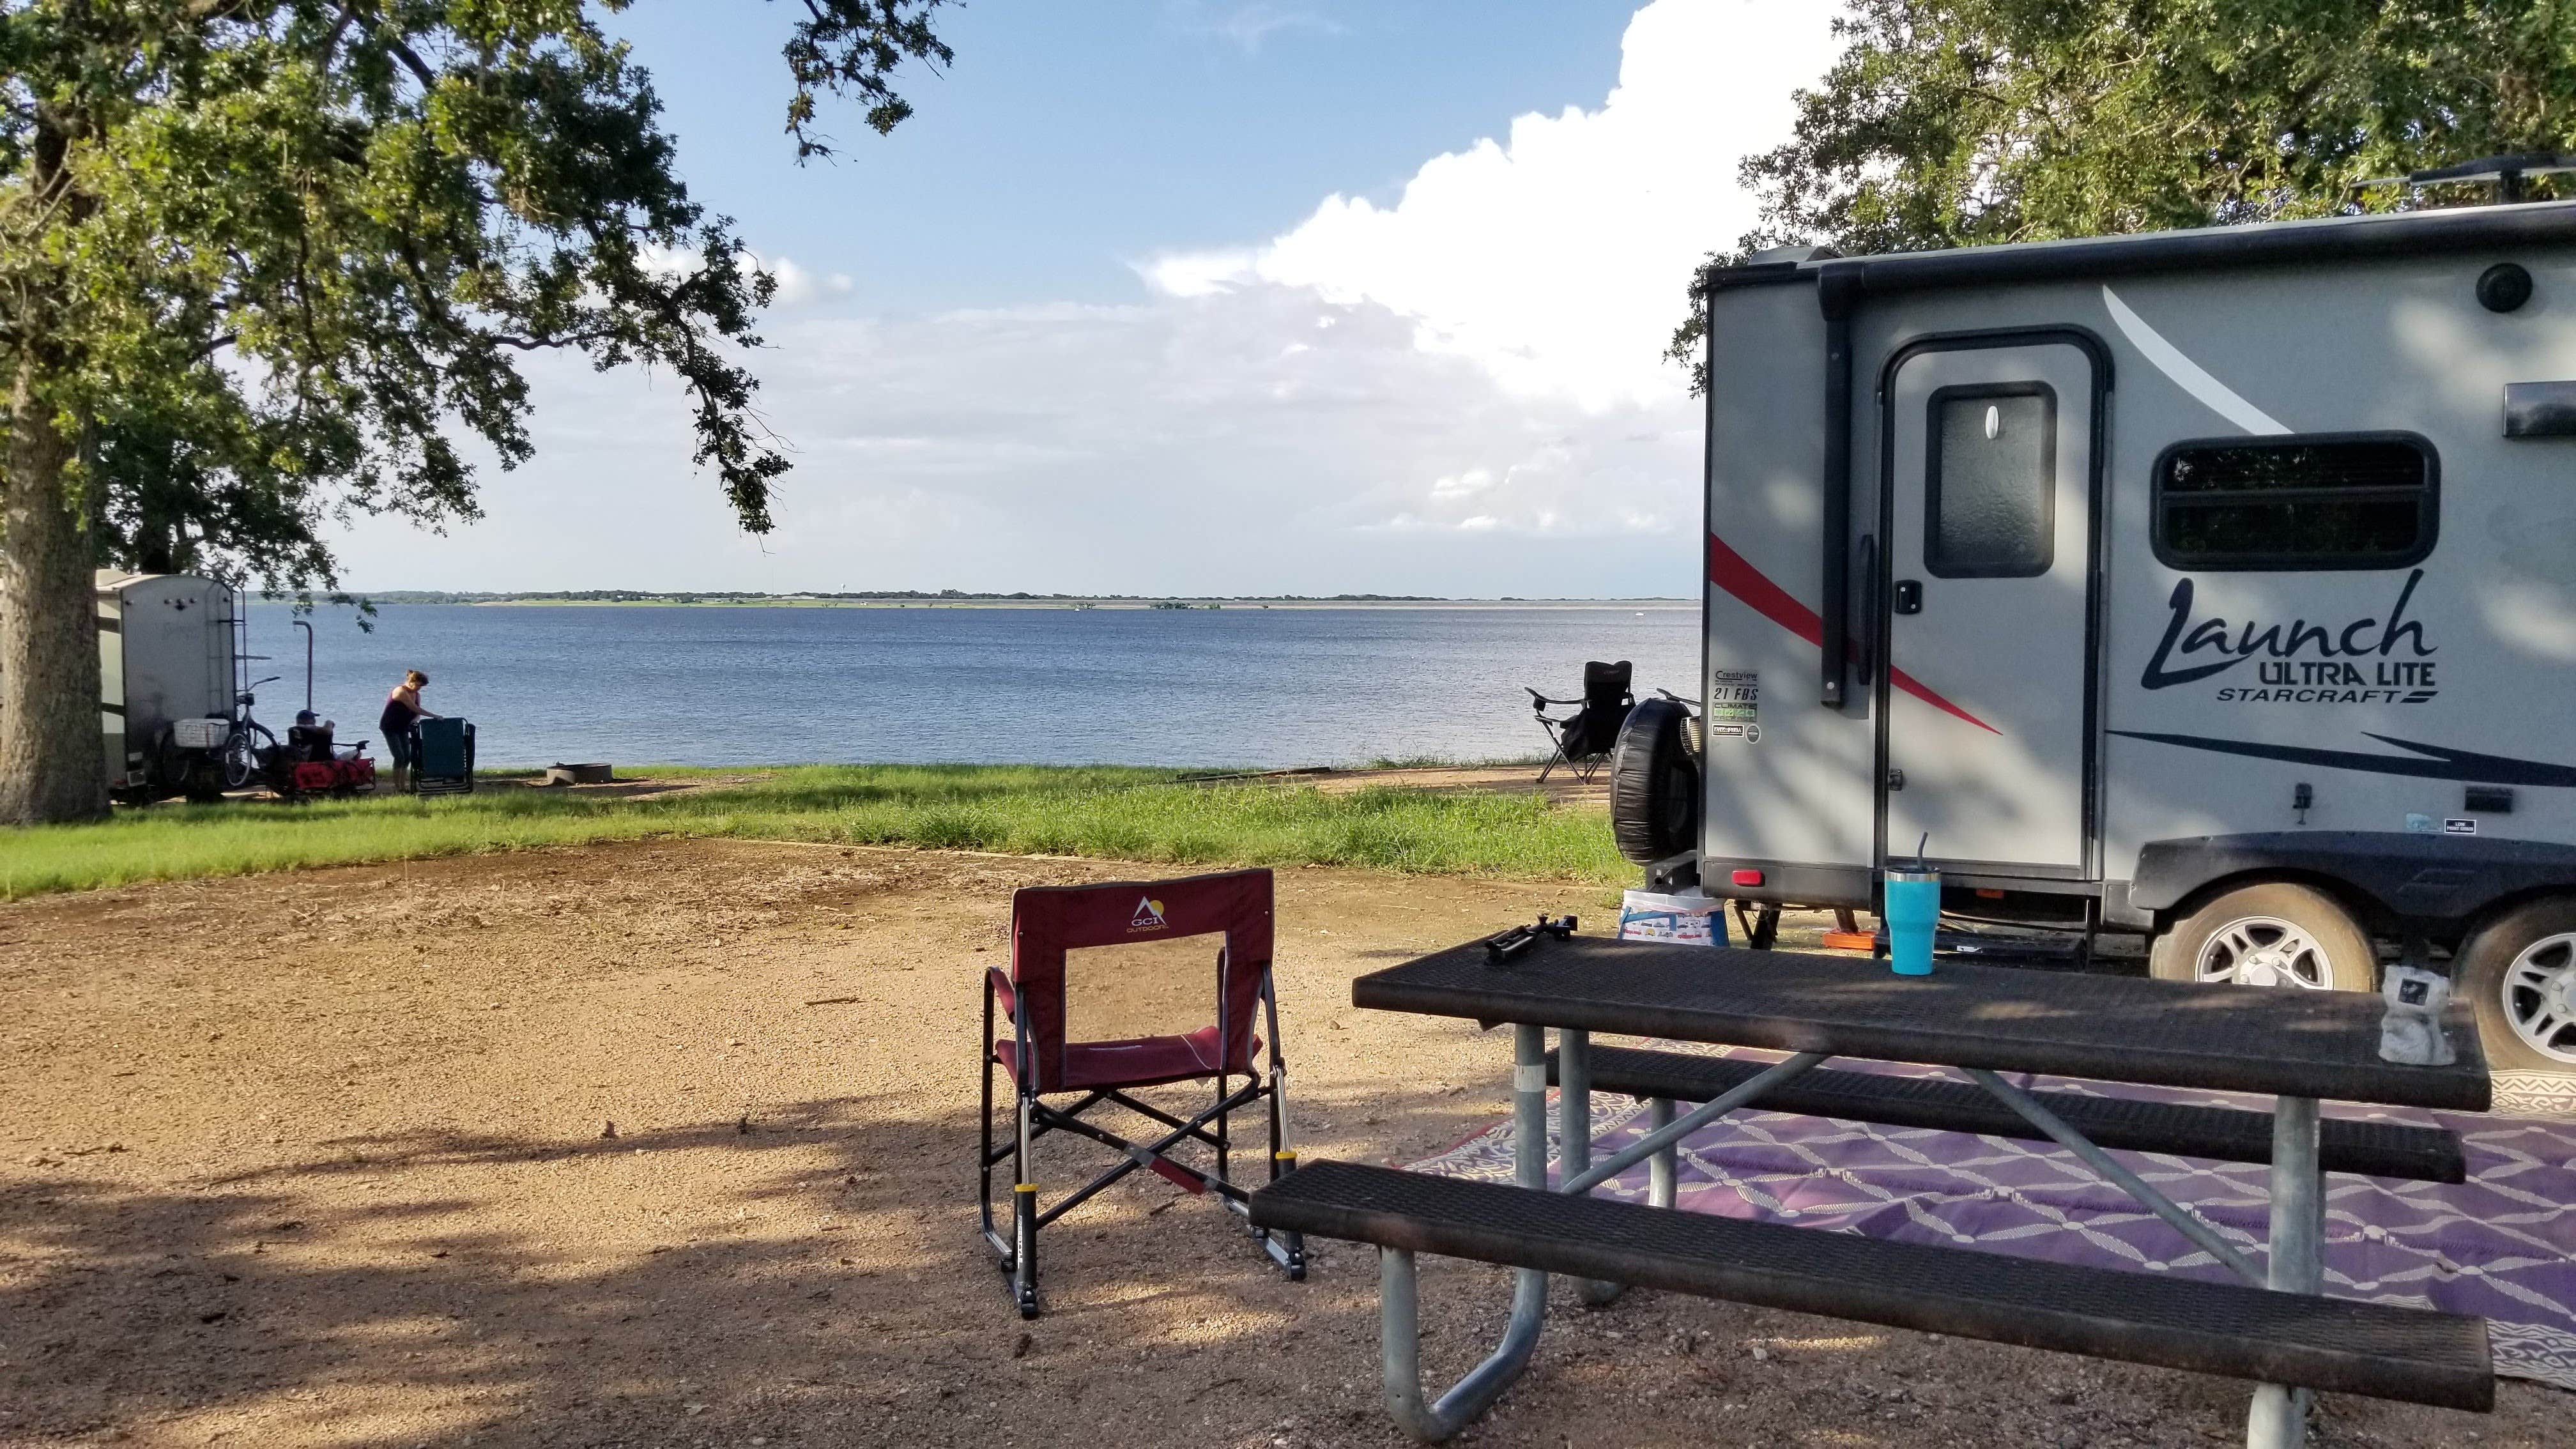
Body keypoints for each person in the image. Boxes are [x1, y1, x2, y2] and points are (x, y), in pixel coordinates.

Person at [379, 670, 439, 791]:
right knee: (399, 757)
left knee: (407, 757)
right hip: (390, 726)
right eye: (418, 685)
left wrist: (415, 720)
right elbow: (415, 708)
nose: (419, 689)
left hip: (403, 726)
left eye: (421, 687)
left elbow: (417, 714)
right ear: (411, 681)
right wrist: (435, 716)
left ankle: (403, 786)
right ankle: (397, 788)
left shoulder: (417, 695)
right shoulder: (400, 691)